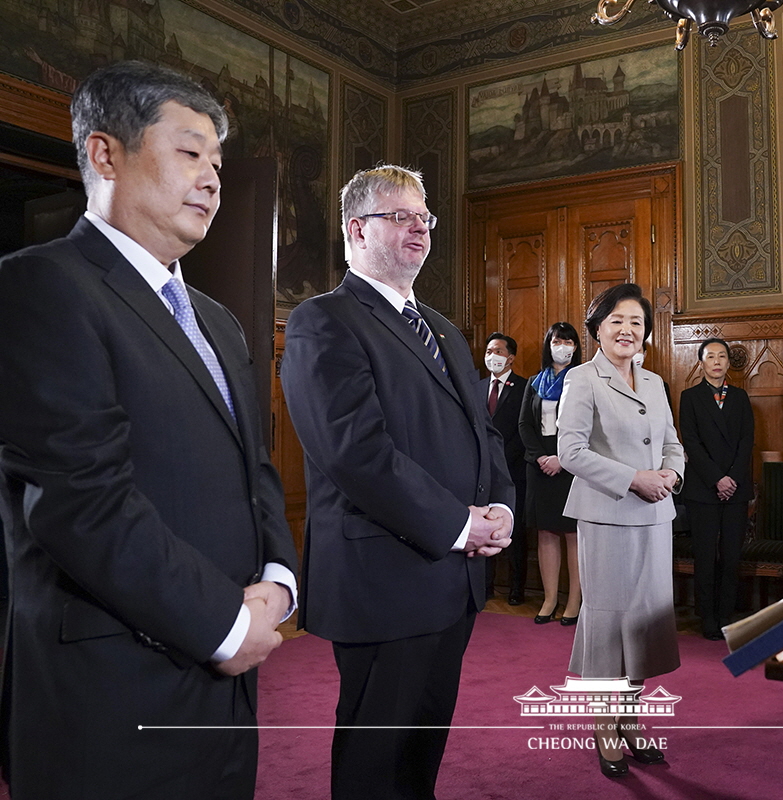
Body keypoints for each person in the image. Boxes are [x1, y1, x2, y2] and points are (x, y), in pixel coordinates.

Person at [0, 61, 297, 798]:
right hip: (111, 688)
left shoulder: (221, 324)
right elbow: (84, 505)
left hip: (224, 685)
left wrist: (280, 582)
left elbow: (253, 469)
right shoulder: (42, 286)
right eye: (190, 153)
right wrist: (226, 624)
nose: (212, 179)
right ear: (106, 154)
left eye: (219, 163)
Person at [280, 165, 514, 800]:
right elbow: (356, 453)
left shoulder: (441, 327)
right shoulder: (323, 321)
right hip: (384, 575)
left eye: (425, 218)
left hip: (454, 574)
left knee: (422, 750)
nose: (420, 228)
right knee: (375, 759)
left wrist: (501, 507)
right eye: (402, 216)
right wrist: (461, 525)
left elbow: (482, 434)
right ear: (357, 229)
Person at [557, 283, 684, 778]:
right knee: (609, 623)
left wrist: (670, 475)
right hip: (607, 514)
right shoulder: (582, 381)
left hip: (656, 515)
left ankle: (632, 719)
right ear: (597, 329)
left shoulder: (653, 383)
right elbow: (570, 452)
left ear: (647, 332)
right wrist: (633, 478)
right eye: (616, 321)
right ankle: (605, 726)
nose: (627, 330)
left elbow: (672, 443)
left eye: (636, 322)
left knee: (644, 624)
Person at [679, 338, 755, 641]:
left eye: (722, 356)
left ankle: (726, 615)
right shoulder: (690, 397)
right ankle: (707, 615)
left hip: (735, 486)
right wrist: (716, 479)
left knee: (732, 555)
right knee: (706, 555)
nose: (717, 361)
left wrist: (731, 478)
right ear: (701, 363)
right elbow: (691, 443)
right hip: (703, 488)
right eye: (711, 356)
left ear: (727, 363)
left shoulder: (740, 397)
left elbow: (746, 441)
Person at [518, 322, 584, 625]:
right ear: (549, 345)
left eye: (569, 341)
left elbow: (589, 427)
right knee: (545, 533)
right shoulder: (534, 382)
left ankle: (574, 601)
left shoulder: (584, 380)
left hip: (573, 467)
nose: (564, 346)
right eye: (559, 341)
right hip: (540, 467)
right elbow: (524, 425)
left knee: (573, 535)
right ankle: (549, 599)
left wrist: (563, 458)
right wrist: (541, 456)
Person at [479, 332, 529, 605]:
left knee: (515, 531)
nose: (491, 356)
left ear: (510, 357)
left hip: (513, 469)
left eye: (497, 351)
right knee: (485, 527)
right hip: (482, 472)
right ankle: (485, 587)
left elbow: (523, 430)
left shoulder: (524, 387)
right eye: (488, 351)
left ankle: (516, 589)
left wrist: (502, 460)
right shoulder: (476, 387)